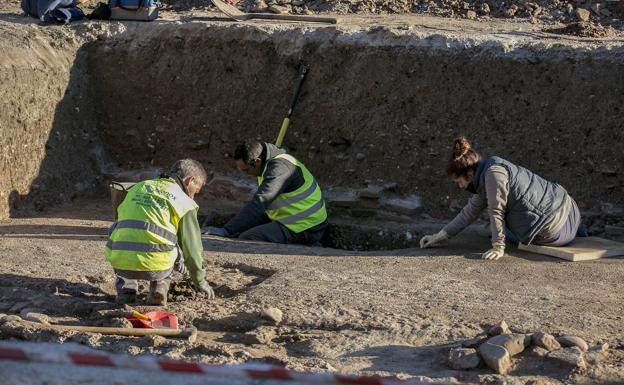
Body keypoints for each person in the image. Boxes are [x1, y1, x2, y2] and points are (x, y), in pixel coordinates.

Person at [420, 137, 582, 260]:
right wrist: (440, 236)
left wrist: (498, 246)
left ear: (469, 174)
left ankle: (574, 232)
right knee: (490, 225)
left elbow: (496, 210)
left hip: (554, 232)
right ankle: (581, 231)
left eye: (459, 181)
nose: (460, 186)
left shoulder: (493, 176)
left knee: (494, 226)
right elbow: (469, 212)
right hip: (570, 211)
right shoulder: (490, 169)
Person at [105, 159, 215, 305]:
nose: (193, 196)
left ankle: (126, 292)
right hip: (157, 267)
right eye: (196, 190)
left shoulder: (138, 187)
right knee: (169, 242)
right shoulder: (184, 201)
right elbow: (192, 249)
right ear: (190, 180)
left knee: (119, 230)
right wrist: (200, 281)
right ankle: (159, 288)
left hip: (121, 262)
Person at [204, 141, 328, 245]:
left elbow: (260, 203)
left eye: (246, 170)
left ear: (257, 161)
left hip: (306, 227)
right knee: (239, 231)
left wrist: (226, 230)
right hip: (292, 219)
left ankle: (305, 246)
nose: (245, 173)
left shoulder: (279, 169)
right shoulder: (268, 162)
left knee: (248, 238)